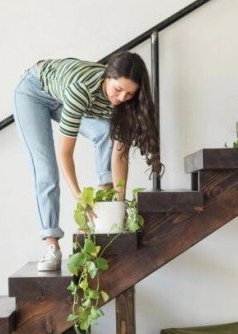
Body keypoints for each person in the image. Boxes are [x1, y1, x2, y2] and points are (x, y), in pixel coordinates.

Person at [13, 51, 161, 272]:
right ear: (107, 76)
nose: (121, 98)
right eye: (118, 89)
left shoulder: (126, 103)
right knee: (46, 169)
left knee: (107, 134)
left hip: (63, 93)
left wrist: (119, 205)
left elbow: (119, 154)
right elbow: (66, 153)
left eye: (129, 93)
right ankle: (51, 243)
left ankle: (105, 211)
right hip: (33, 92)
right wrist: (80, 198)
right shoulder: (82, 90)